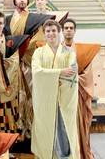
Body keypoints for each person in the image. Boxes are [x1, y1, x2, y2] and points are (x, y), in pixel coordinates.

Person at [3, 0, 55, 139]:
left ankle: (31, 132)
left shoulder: (34, 19)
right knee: (14, 96)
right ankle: (15, 132)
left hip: (26, 62)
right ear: (14, 1)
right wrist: (11, 51)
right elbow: (3, 39)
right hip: (12, 62)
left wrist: (22, 48)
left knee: (31, 94)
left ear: (27, 1)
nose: (22, 0)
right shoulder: (7, 19)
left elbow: (39, 37)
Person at [31, 20, 80, 159]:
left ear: (59, 32)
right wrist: (59, 72)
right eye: (48, 31)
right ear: (44, 34)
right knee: (45, 124)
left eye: (53, 31)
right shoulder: (38, 52)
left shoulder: (68, 51)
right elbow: (36, 71)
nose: (51, 34)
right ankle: (46, 155)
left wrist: (56, 77)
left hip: (64, 96)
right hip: (45, 97)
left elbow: (72, 71)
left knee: (64, 125)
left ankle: (65, 155)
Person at [61, 18, 101, 159]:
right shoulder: (56, 49)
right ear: (62, 30)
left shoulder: (82, 51)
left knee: (78, 124)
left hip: (77, 93)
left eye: (71, 28)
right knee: (62, 125)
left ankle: (79, 153)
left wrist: (74, 79)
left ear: (75, 31)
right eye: (66, 28)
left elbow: (87, 74)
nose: (69, 30)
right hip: (60, 94)